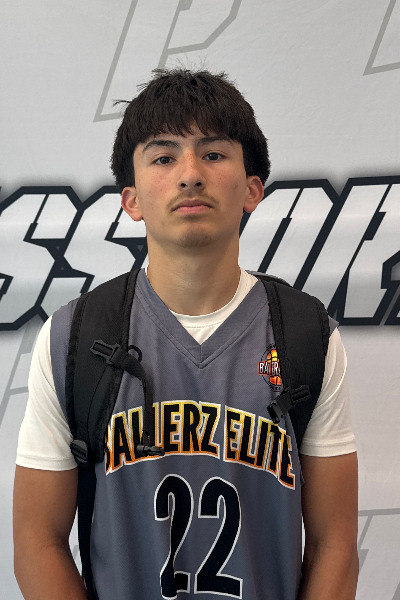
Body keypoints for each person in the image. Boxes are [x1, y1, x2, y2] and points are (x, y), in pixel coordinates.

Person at [13, 68, 358, 600]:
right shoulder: (73, 337)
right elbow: (37, 542)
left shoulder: (306, 335)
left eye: (214, 154)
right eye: (163, 157)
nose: (190, 174)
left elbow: (335, 545)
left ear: (252, 189)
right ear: (131, 200)